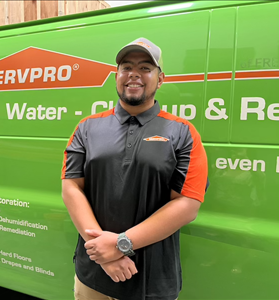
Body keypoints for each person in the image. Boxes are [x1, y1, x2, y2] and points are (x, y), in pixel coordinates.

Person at [61, 37, 208, 300]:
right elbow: (71, 187)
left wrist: (119, 245)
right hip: (93, 275)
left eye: (145, 68)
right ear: (116, 76)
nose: (134, 75)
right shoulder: (87, 127)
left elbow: (187, 205)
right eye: (126, 67)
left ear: (160, 79)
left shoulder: (184, 133)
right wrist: (103, 254)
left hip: (152, 281)